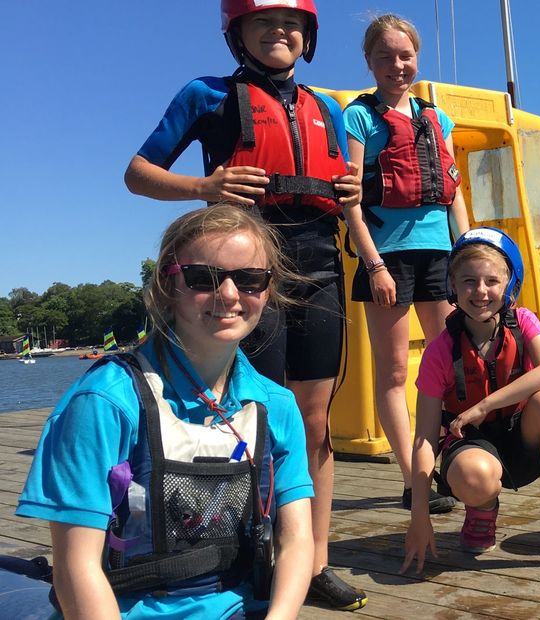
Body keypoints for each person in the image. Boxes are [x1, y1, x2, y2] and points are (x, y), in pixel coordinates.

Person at [122, 0, 366, 609]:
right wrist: (205, 189)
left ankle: (313, 561)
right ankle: (251, 551)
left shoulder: (328, 109)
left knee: (313, 418)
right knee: (252, 410)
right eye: (264, 22)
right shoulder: (205, 95)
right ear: (237, 34)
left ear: (308, 37)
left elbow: (346, 190)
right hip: (250, 263)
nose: (280, 31)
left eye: (293, 23)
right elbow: (138, 172)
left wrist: (357, 191)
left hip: (318, 261)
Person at [17, 204, 314, 619]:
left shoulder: (277, 406)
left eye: (249, 280)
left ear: (268, 289)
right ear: (167, 285)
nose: (229, 295)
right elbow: (75, 565)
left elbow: (298, 539)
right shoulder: (104, 401)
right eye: (203, 278)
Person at [403, 227, 540, 578]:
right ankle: (482, 508)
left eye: (492, 280)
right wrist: (419, 517)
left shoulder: (523, 322)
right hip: (474, 447)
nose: (481, 291)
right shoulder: (439, 351)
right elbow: (424, 439)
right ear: (453, 287)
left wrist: (484, 404)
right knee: (474, 476)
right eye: (469, 281)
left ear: (510, 285)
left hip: (523, 438)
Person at [342, 13, 469, 515]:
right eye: (385, 56)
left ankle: (447, 462)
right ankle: (412, 478)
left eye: (405, 55)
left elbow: (455, 193)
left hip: (440, 255)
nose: (397, 64)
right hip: (386, 257)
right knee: (394, 372)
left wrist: (471, 250)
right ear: (369, 62)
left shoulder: (438, 118)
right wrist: (372, 265)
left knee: (448, 367)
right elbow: (350, 198)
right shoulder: (358, 116)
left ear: (416, 57)